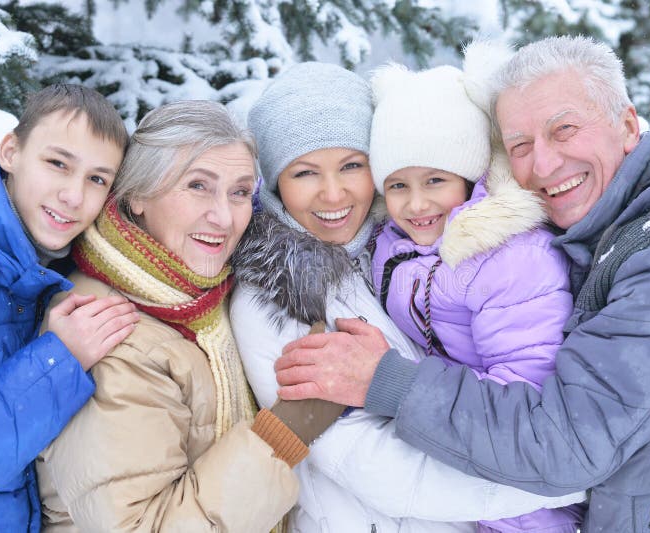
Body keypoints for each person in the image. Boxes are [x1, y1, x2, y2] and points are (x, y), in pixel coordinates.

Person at [274, 35, 650, 531]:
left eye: (564, 130)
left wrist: (386, 382)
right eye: (520, 145)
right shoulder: (596, 221)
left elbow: (567, 441)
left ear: (627, 125)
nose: (542, 165)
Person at [230, 61, 585, 532]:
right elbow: (379, 467)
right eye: (305, 172)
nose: (333, 193)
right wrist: (566, 475)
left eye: (351, 165)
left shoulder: (393, 248)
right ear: (275, 182)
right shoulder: (278, 297)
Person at [35, 100, 312, 533]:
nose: (223, 217)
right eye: (198, 186)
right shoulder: (109, 332)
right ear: (137, 195)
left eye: (239, 192)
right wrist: (285, 433)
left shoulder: (205, 301)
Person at [368, 55, 583, 533]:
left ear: (468, 179)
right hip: (449, 444)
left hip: (518, 489)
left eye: (435, 181)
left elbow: (524, 396)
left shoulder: (509, 256)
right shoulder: (396, 242)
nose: (416, 203)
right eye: (398, 185)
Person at [0, 84, 139, 532]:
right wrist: (56, 361)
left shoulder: (52, 265)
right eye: (57, 164)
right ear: (11, 152)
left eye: (97, 179)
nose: (74, 195)